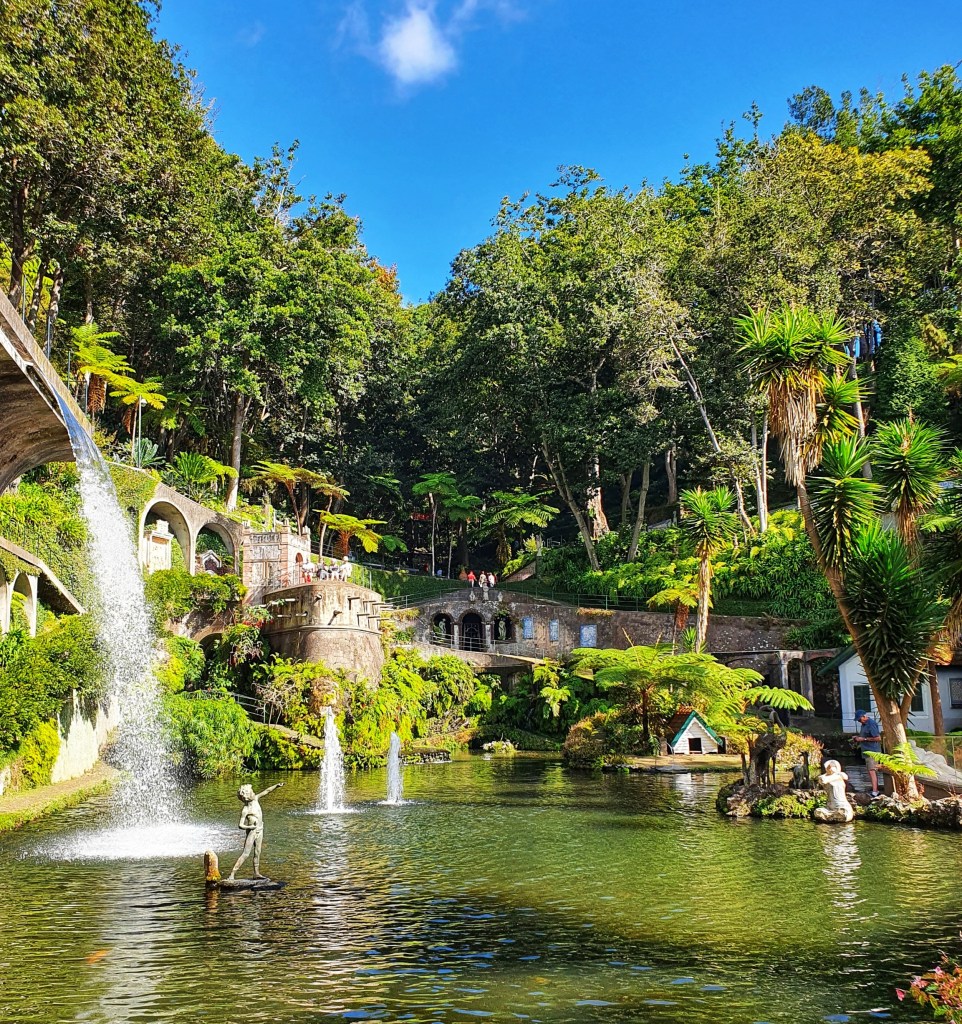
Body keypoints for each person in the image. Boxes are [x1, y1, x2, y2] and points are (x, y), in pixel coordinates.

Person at [228, 782, 284, 880]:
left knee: (257, 852)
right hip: (252, 832)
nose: (254, 793)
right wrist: (250, 828)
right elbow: (240, 825)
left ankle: (256, 873)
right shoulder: (246, 809)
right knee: (246, 854)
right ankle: (232, 874)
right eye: (252, 792)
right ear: (247, 796)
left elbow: (267, 791)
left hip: (260, 829)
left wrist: (276, 786)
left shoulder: (256, 799)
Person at [853, 710, 882, 797]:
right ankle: (875, 789)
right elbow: (864, 736)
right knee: (870, 771)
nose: (858, 721)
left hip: (872, 752)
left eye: (859, 719)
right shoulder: (863, 725)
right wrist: (857, 738)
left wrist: (864, 739)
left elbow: (878, 738)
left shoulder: (871, 724)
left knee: (872, 770)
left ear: (864, 716)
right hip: (866, 751)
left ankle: (875, 791)